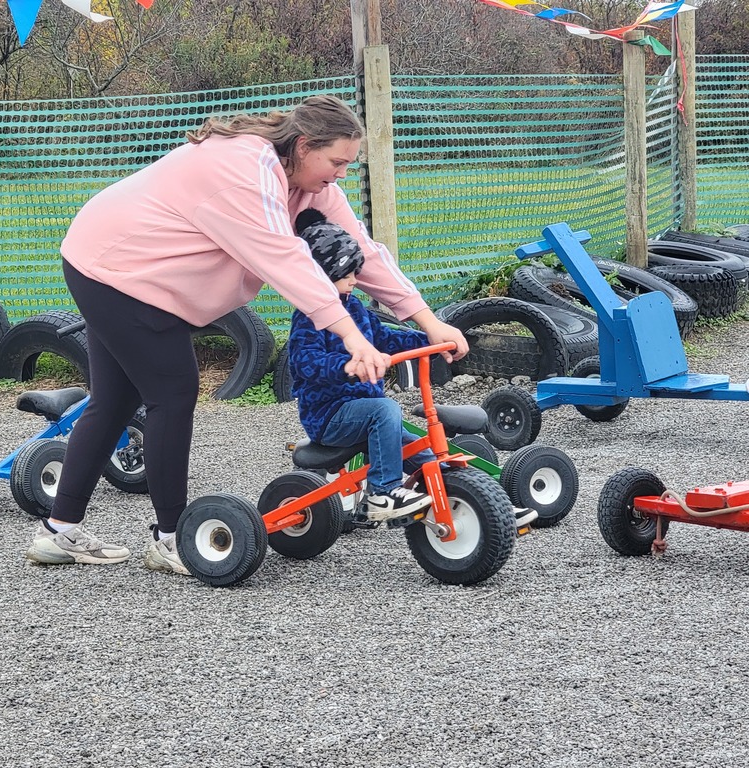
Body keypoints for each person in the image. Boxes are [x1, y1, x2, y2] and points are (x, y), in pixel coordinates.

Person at [24, 94, 469, 575]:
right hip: (114, 267)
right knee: (172, 394)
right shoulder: (244, 170)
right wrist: (353, 338)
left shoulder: (311, 183)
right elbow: (284, 259)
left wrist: (427, 318)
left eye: (348, 164)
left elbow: (363, 249)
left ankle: (58, 531)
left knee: (113, 402)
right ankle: (174, 538)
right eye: (337, 161)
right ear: (303, 146)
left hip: (136, 273)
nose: (341, 173)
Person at [286, 208, 435, 521]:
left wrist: (429, 340)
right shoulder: (309, 314)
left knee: (424, 454)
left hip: (364, 412)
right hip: (328, 415)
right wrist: (346, 365)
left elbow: (384, 337)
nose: (355, 280)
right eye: (347, 273)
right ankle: (382, 493)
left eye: (356, 272)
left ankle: (463, 490)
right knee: (386, 411)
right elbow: (303, 360)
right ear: (323, 273)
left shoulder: (355, 307)